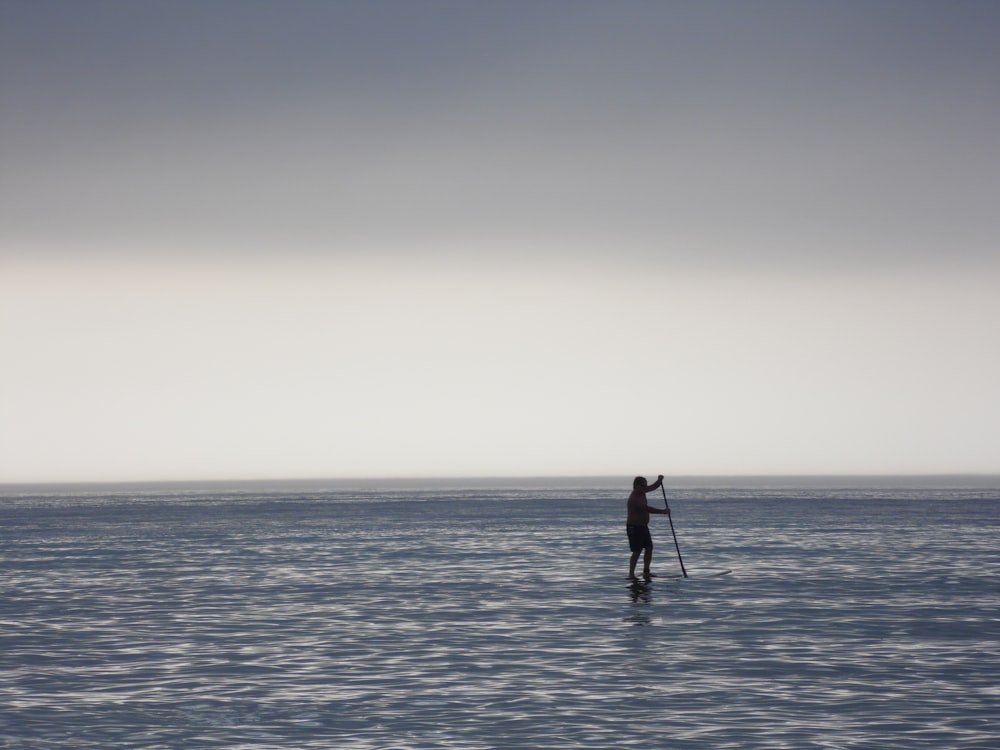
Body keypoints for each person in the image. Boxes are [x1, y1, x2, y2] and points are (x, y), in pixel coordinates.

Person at [626, 475, 670, 580]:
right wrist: (663, 511)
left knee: (649, 548)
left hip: (643, 527)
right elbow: (646, 508)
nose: (645, 487)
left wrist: (659, 481)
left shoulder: (642, 493)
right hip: (634, 528)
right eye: (643, 485)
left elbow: (652, 487)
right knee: (637, 551)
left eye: (645, 485)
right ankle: (631, 574)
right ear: (636, 486)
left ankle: (646, 571)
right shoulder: (635, 497)